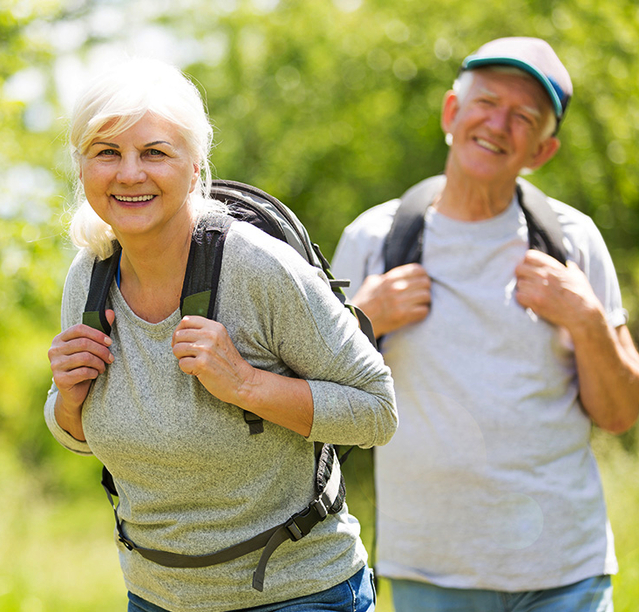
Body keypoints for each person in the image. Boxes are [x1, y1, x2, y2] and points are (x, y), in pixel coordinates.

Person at [43, 58, 397, 612]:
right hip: (157, 597)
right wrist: (67, 399)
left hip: (298, 596)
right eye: (106, 152)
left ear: (194, 165)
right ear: (82, 165)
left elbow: (377, 411)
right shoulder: (89, 278)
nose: (129, 173)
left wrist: (246, 385)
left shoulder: (256, 270)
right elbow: (80, 432)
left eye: (155, 152)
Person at [331, 37, 639, 611]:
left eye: (524, 117)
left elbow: (620, 414)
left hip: (566, 567)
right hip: (431, 568)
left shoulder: (573, 242)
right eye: (487, 102)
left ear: (544, 149)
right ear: (453, 112)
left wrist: (587, 319)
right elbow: (320, 407)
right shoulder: (374, 241)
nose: (499, 124)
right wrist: (362, 322)